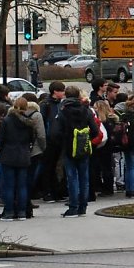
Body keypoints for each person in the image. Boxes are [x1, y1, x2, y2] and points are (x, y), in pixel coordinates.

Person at [0, 97, 37, 221]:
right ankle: (21, 212)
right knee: (22, 186)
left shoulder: (7, 121)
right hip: (24, 155)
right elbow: (32, 139)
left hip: (8, 155)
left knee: (9, 186)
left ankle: (9, 211)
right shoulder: (29, 122)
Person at [52, 86, 99, 217]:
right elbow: (95, 130)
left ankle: (73, 206)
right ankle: (83, 207)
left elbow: (55, 132)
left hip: (68, 147)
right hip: (84, 147)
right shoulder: (86, 110)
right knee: (84, 177)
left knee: (72, 177)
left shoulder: (63, 111)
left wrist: (62, 142)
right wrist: (87, 138)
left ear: (66, 96)